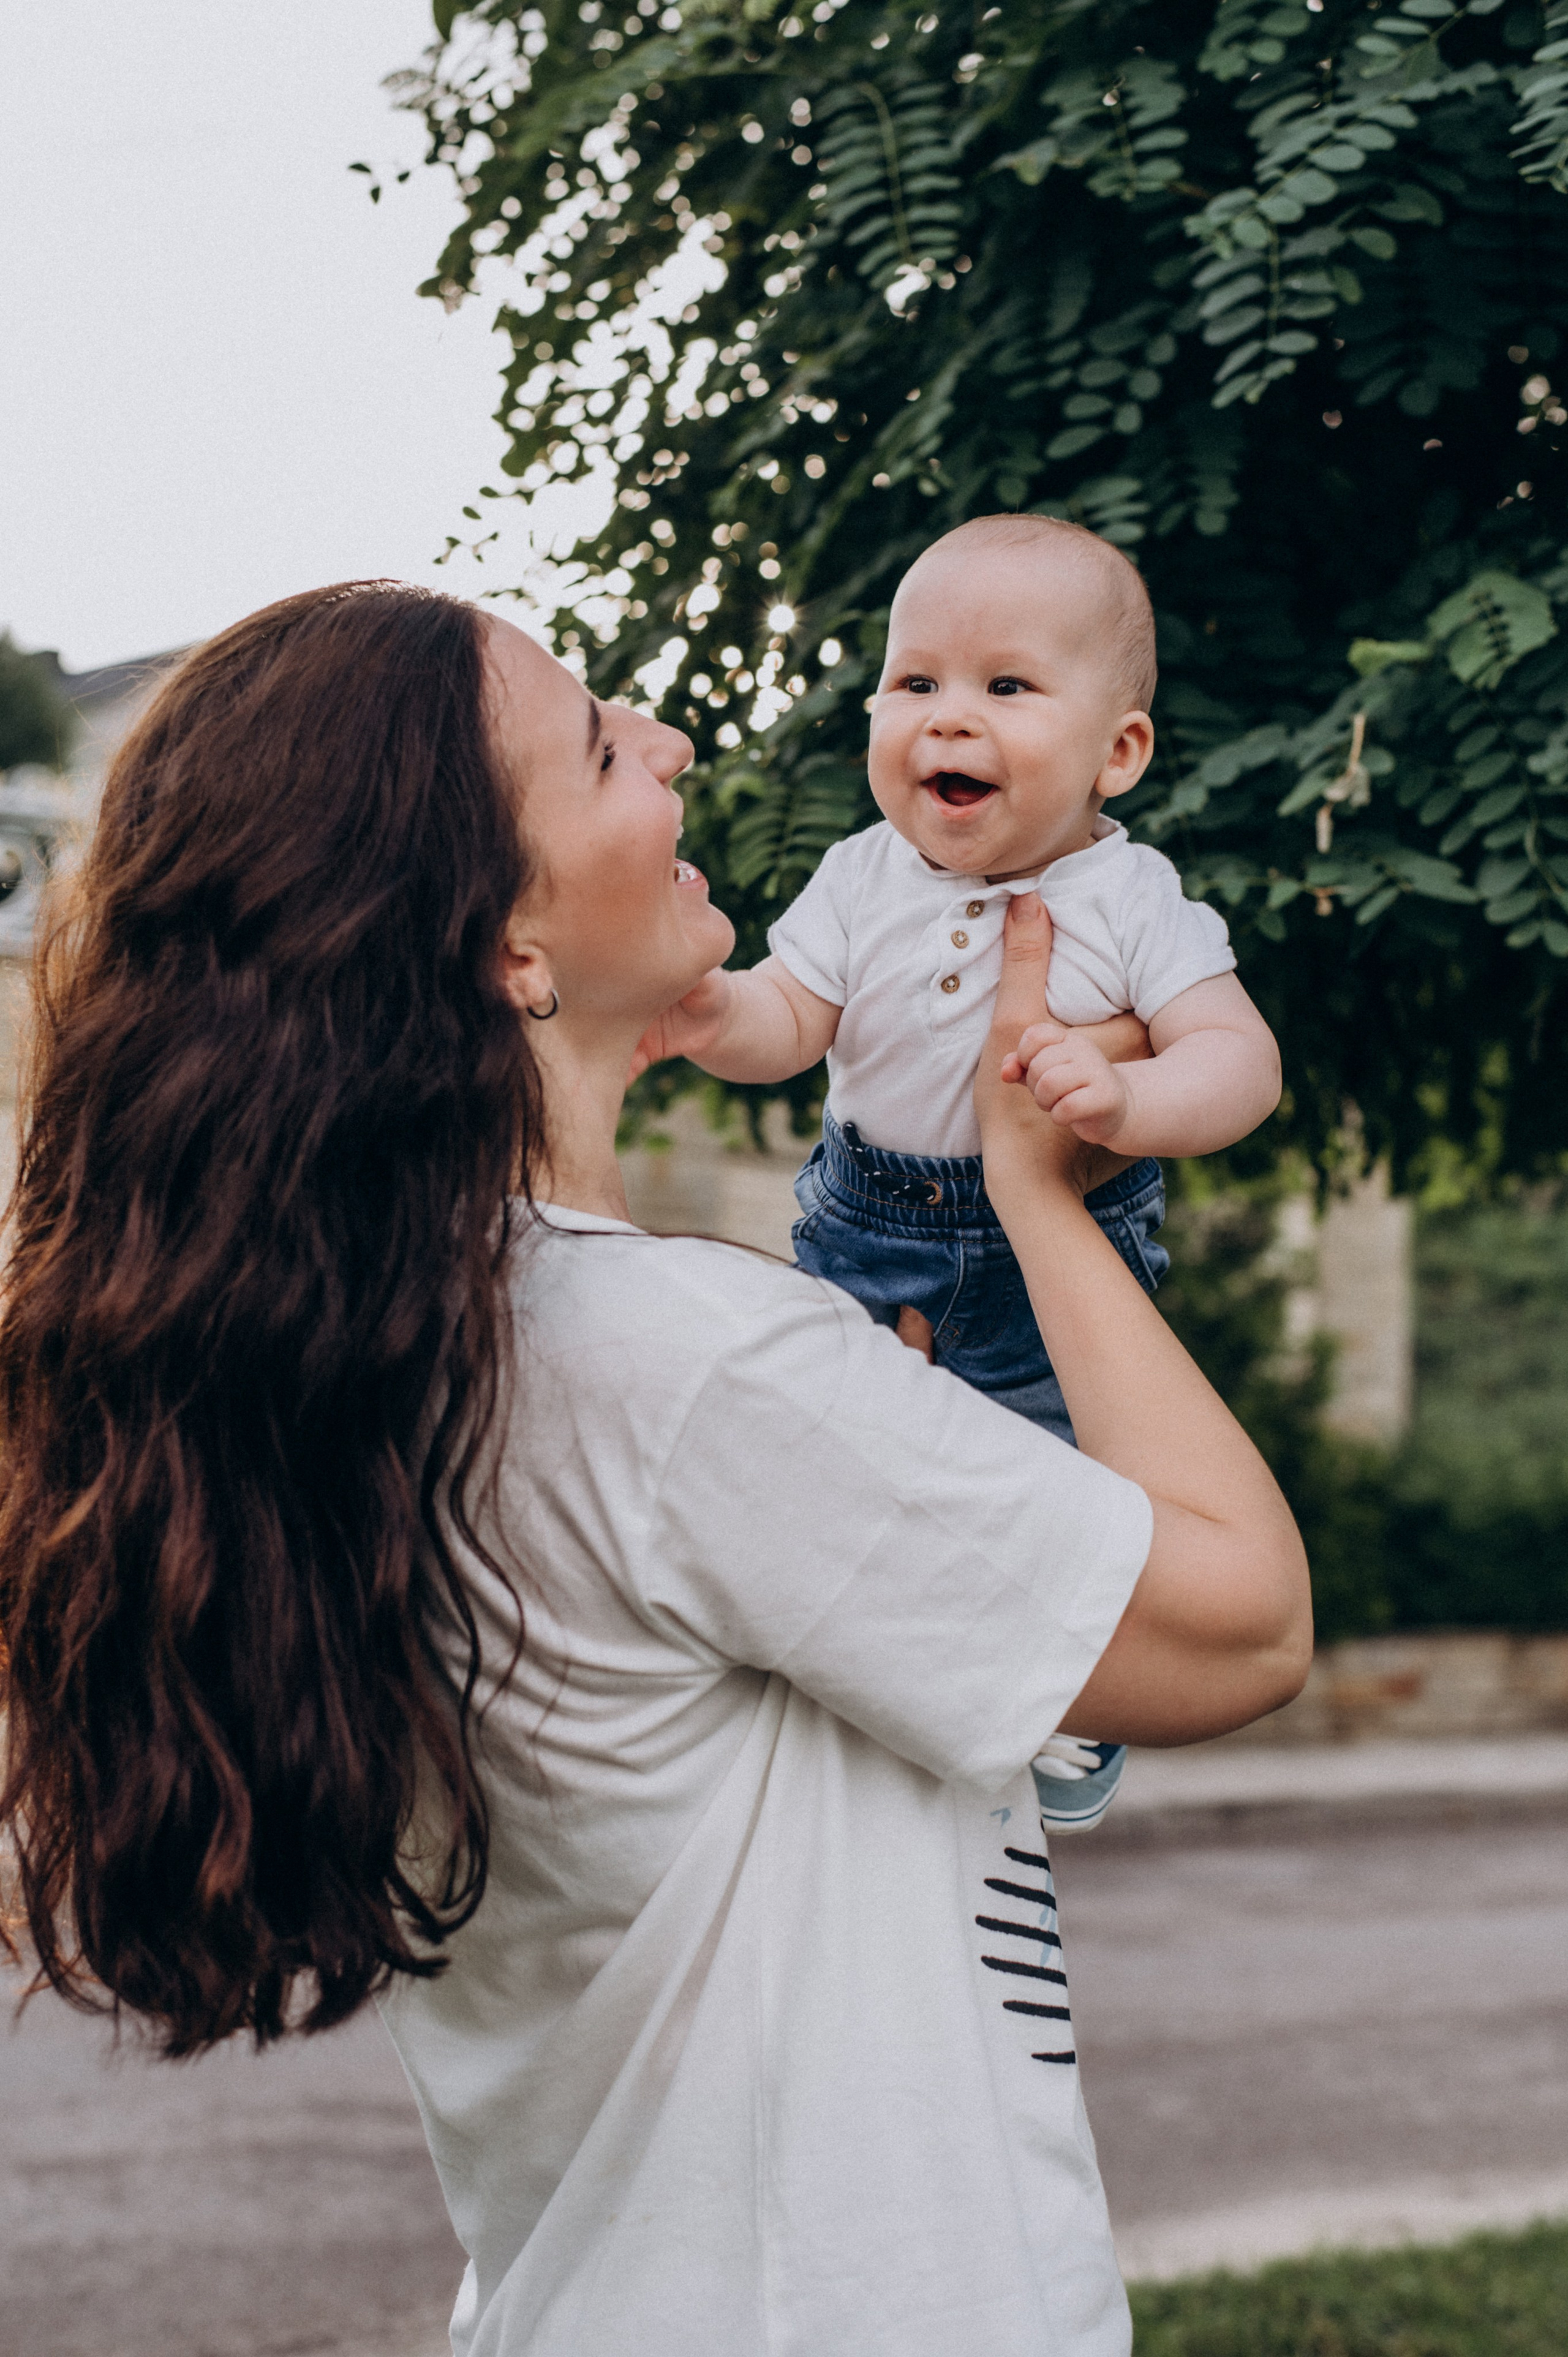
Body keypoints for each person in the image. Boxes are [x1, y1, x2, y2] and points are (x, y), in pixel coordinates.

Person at [0, 581, 1310, 2357]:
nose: (674, 741)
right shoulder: (679, 1362)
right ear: (507, 947)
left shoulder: (394, 1361)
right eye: (602, 749)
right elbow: (1243, 1626)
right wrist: (1037, 1195)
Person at [631, 513, 1282, 1831]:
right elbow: (790, 1019)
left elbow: (1240, 1061)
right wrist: (714, 1014)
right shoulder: (860, 875)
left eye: (1007, 685)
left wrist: (1130, 1098)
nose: (948, 716)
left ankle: (1068, 1699)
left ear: (1118, 752)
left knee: (1055, 1480)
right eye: (915, 681)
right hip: (866, 1232)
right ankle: (836, 1678)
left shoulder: (1131, 898)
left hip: (1057, 1264)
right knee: (831, 1452)